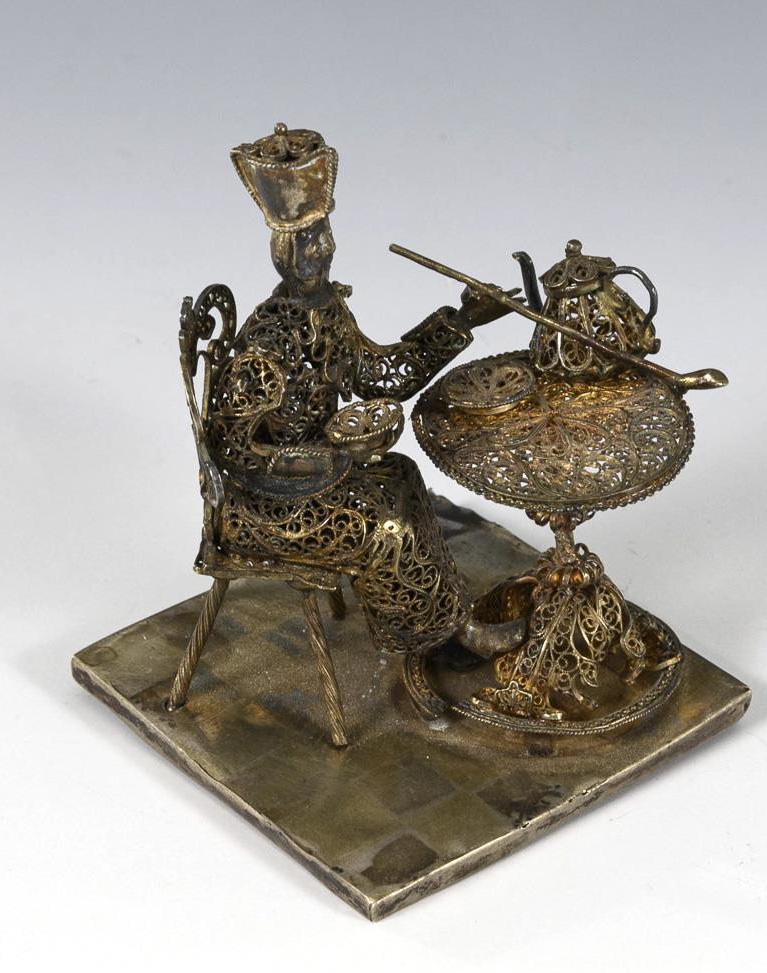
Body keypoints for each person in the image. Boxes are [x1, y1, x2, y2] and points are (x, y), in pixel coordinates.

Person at [190, 123, 522, 657]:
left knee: (402, 475)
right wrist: (328, 457)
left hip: (317, 481)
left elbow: (384, 375)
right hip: (259, 507)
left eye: (325, 236)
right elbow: (232, 454)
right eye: (309, 242)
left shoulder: (326, 311)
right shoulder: (264, 345)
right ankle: (425, 644)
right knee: (387, 526)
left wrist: (463, 320)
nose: (323, 251)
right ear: (284, 252)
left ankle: (449, 622)